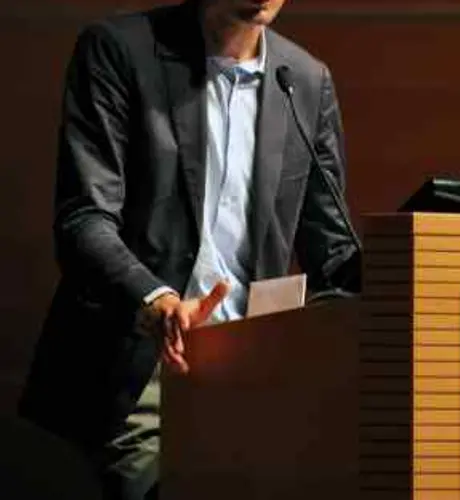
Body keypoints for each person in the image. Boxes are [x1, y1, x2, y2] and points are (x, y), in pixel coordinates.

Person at [18, 0, 361, 498]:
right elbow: (84, 219)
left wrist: (414, 266)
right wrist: (155, 299)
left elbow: (332, 256)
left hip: (255, 373)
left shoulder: (305, 80)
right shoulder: (119, 51)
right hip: (142, 371)